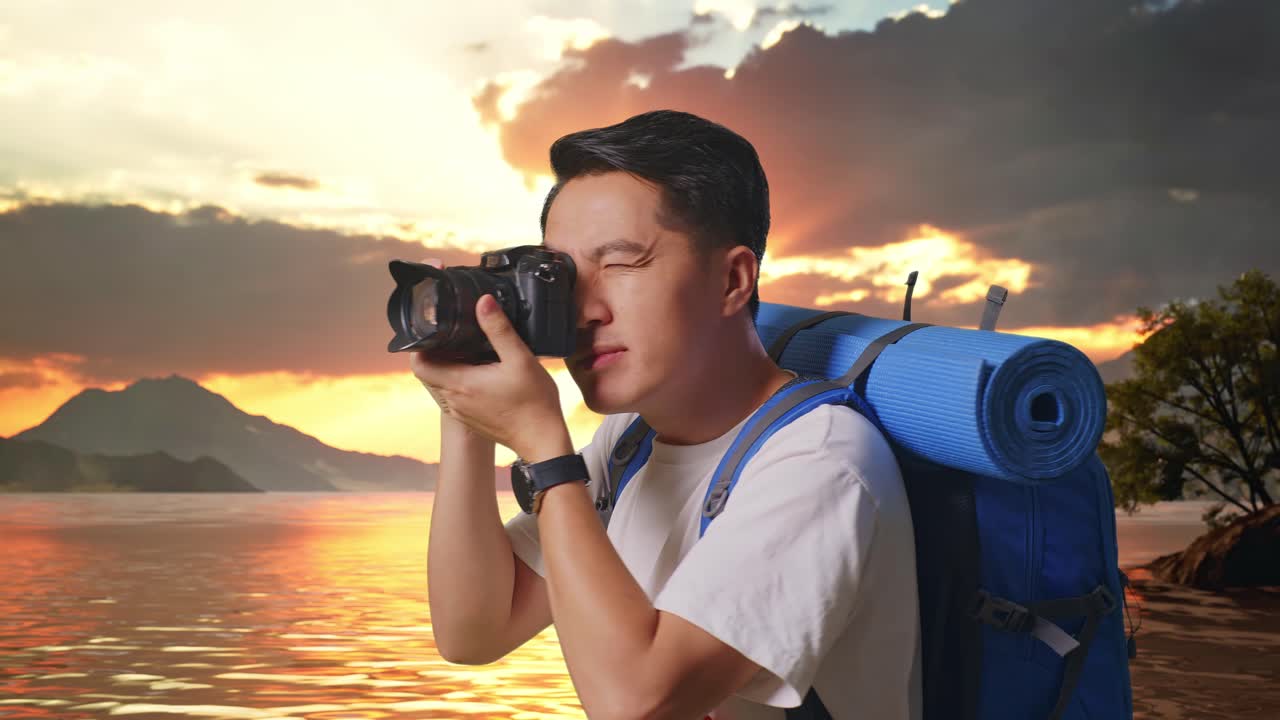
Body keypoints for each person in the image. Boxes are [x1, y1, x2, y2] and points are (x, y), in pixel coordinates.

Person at [412, 109, 922, 720]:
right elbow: (474, 630)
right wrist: (464, 404)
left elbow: (637, 704)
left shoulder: (820, 463)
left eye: (623, 263)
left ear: (734, 279)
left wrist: (545, 451)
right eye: (564, 275)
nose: (584, 310)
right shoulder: (633, 439)